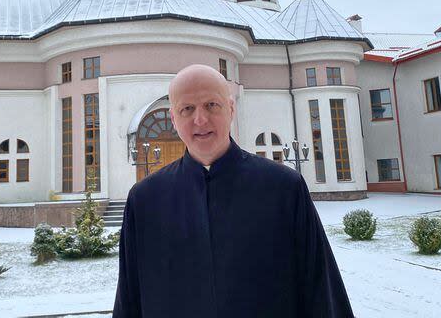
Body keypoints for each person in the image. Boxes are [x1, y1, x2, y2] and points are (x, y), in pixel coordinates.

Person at [113, 64, 354, 317]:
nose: (200, 119)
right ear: (174, 119)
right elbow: (130, 299)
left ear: (231, 109)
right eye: (187, 109)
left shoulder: (284, 188)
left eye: (211, 105)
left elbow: (319, 287)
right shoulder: (145, 200)